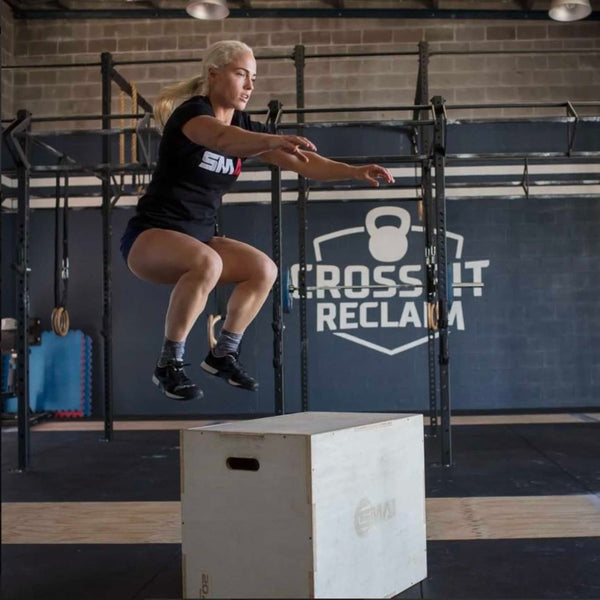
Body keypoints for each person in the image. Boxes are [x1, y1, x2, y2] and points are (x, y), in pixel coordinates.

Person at [120, 40, 394, 402]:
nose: (250, 86)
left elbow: (304, 164)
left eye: (254, 78)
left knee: (263, 269)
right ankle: (168, 364)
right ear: (214, 76)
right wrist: (272, 139)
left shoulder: (246, 125)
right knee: (207, 262)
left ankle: (223, 353)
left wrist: (354, 171)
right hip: (149, 238)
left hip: (198, 240)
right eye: (241, 75)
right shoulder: (192, 115)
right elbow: (223, 139)